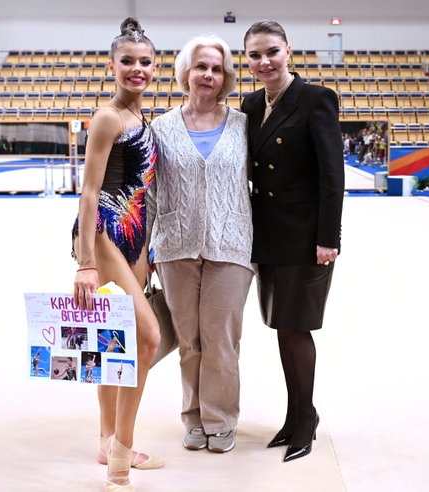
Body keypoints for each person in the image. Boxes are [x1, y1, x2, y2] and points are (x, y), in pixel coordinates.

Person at [241, 20, 344, 463]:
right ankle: (295, 413)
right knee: (282, 327)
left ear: (289, 52)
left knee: (297, 329)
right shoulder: (249, 103)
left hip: (306, 238)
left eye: (272, 52)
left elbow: (331, 175)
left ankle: (306, 421)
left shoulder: (316, 98)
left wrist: (328, 238)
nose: (264, 62)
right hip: (268, 235)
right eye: (255, 55)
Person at [148, 34, 254, 454]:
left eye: (216, 68)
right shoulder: (161, 127)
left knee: (222, 341)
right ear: (185, 74)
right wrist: (144, 253)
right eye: (200, 66)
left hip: (232, 247)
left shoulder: (245, 125)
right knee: (189, 341)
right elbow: (151, 193)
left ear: (225, 76)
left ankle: (221, 418)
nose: (208, 74)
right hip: (175, 248)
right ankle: (192, 417)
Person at [70, 17, 163, 492]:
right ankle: (121, 457)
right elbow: (89, 192)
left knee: (114, 339)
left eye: (145, 62)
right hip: (102, 232)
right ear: (112, 66)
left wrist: (143, 252)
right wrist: (87, 261)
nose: (137, 69)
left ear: (156, 68)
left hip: (129, 239)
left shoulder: (143, 118)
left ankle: (107, 439)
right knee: (147, 337)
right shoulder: (107, 117)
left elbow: (143, 191)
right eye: (127, 61)